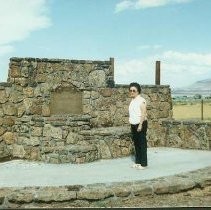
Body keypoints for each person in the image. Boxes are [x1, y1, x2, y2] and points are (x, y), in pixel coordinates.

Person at [128, 82, 148, 169]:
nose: (132, 92)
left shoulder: (141, 100)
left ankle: (143, 163)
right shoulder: (132, 100)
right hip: (133, 124)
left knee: (142, 143)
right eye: (131, 90)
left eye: (134, 90)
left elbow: (143, 113)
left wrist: (140, 125)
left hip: (141, 124)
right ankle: (137, 162)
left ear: (138, 91)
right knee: (136, 144)